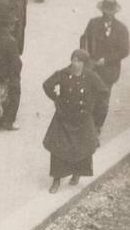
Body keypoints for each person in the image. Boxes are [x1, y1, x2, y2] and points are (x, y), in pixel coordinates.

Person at [42, 50, 108, 193]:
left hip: (83, 118)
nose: (75, 63)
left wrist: (93, 110)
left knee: (82, 148)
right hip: (64, 117)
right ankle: (56, 180)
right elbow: (47, 85)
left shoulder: (90, 76)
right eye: (73, 60)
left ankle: (77, 173)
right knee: (58, 149)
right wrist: (56, 98)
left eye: (78, 61)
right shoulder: (64, 73)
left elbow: (103, 92)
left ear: (84, 63)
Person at [81, 0, 129, 117]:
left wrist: (107, 60)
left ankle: (97, 126)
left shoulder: (121, 29)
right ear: (102, 11)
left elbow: (125, 50)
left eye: (110, 12)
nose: (107, 14)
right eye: (105, 11)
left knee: (102, 99)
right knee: (88, 95)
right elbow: (84, 39)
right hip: (92, 67)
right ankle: (87, 123)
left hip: (109, 70)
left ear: (114, 13)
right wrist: (86, 55)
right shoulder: (93, 23)